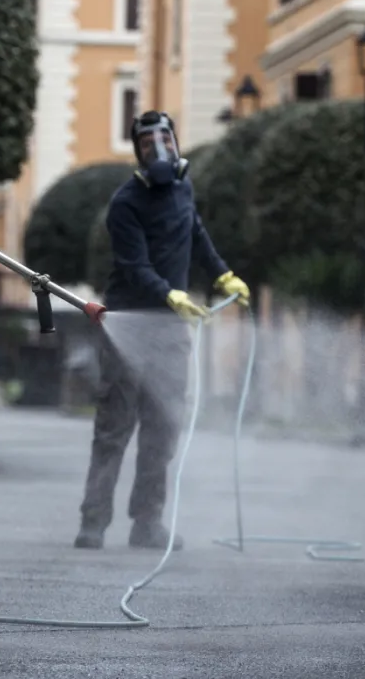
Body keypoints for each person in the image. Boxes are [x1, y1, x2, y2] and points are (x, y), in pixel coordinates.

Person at [73, 110, 250, 551]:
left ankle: (147, 523)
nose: (159, 150)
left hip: (170, 331)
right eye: (148, 144)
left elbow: (196, 235)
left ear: (176, 141)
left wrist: (224, 275)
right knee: (114, 427)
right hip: (128, 327)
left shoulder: (184, 189)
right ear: (137, 151)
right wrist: (170, 294)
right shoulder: (125, 203)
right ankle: (93, 522)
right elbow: (133, 266)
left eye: (165, 140)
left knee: (163, 429)